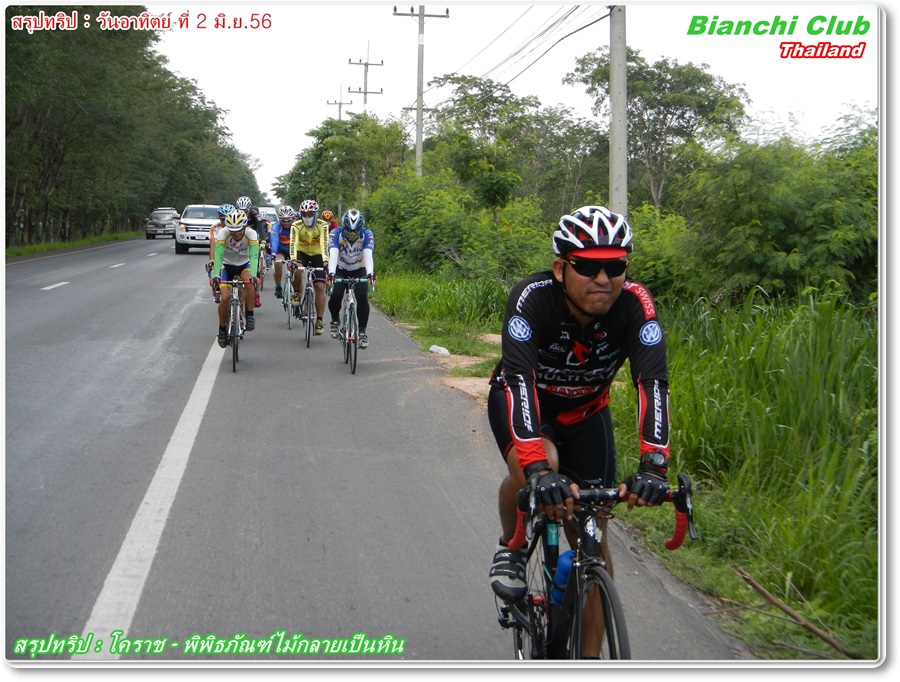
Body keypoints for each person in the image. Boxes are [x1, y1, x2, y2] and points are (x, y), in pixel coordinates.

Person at [487, 205, 671, 612]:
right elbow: (519, 380)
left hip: (587, 414)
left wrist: (654, 464)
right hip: (525, 403)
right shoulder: (533, 297)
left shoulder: (635, 304)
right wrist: (537, 470)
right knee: (542, 464)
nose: (603, 279)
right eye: (586, 267)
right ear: (560, 268)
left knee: (593, 545)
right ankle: (512, 547)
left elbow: (653, 383)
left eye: (615, 266)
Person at [209, 208, 260, 348]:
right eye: (232, 231)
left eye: (238, 231)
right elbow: (218, 255)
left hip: (244, 264)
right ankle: (222, 329)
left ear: (244, 226)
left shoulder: (251, 233)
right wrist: (216, 275)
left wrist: (254, 275)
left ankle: (250, 314)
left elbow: (254, 256)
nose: (235, 234)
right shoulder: (223, 233)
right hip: (226, 265)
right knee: (225, 297)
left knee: (249, 281)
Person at [326, 209, 375, 349]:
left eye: (355, 232)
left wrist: (370, 273)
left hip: (359, 268)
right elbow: (333, 252)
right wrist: (331, 273)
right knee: (336, 295)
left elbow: (368, 254)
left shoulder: (367, 234)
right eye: (349, 232)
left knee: (362, 297)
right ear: (344, 228)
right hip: (340, 268)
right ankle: (335, 320)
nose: (352, 235)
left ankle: (362, 332)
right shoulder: (335, 233)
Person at [289, 199, 329, 335]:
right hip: (302, 253)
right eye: (304, 214)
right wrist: (293, 260)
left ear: (315, 214)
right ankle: (297, 293)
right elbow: (293, 243)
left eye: (309, 214)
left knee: (319, 287)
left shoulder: (323, 225)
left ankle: (319, 320)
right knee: (298, 270)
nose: (306, 217)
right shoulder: (296, 225)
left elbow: (324, 243)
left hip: (318, 255)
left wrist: (326, 261)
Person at [235, 196, 269, 308]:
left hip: (252, 240)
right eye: (241, 211)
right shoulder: (234, 215)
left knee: (255, 270)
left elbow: (260, 228)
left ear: (250, 210)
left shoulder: (255, 214)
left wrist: (263, 240)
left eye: (246, 211)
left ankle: (256, 293)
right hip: (239, 241)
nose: (243, 214)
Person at [207, 203, 234, 303]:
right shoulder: (215, 228)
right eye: (222, 219)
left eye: (228, 219)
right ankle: (216, 289)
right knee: (212, 271)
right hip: (221, 253)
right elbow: (213, 246)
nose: (225, 222)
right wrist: (212, 261)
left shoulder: (238, 227)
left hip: (235, 254)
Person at [268, 205, 295, 300]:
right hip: (281, 250)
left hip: (293, 249)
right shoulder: (276, 226)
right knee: (278, 263)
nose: (286, 223)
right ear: (280, 219)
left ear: (293, 219)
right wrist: (273, 253)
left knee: (297, 269)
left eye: (289, 220)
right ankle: (278, 287)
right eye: (283, 220)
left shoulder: (296, 226)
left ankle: (296, 291)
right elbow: (274, 240)